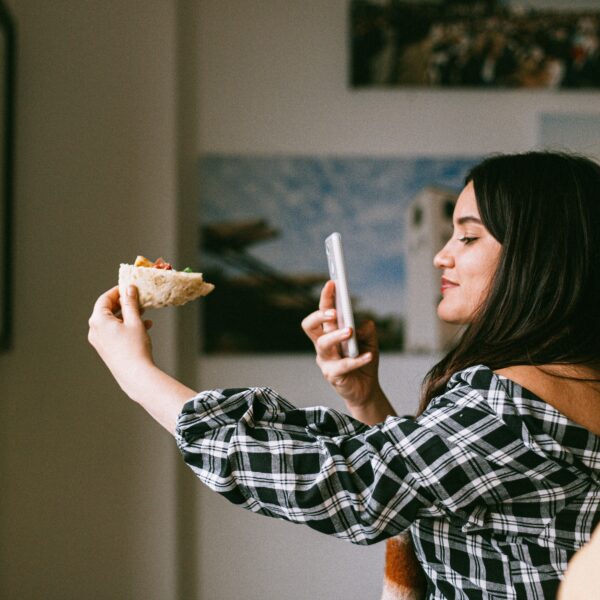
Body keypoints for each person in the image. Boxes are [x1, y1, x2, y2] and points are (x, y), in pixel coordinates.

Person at [88, 151, 600, 599]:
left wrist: (135, 373)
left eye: (467, 236)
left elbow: (343, 484)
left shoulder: (510, 407)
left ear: (541, 257)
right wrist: (365, 396)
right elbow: (426, 484)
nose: (442, 255)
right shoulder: (560, 386)